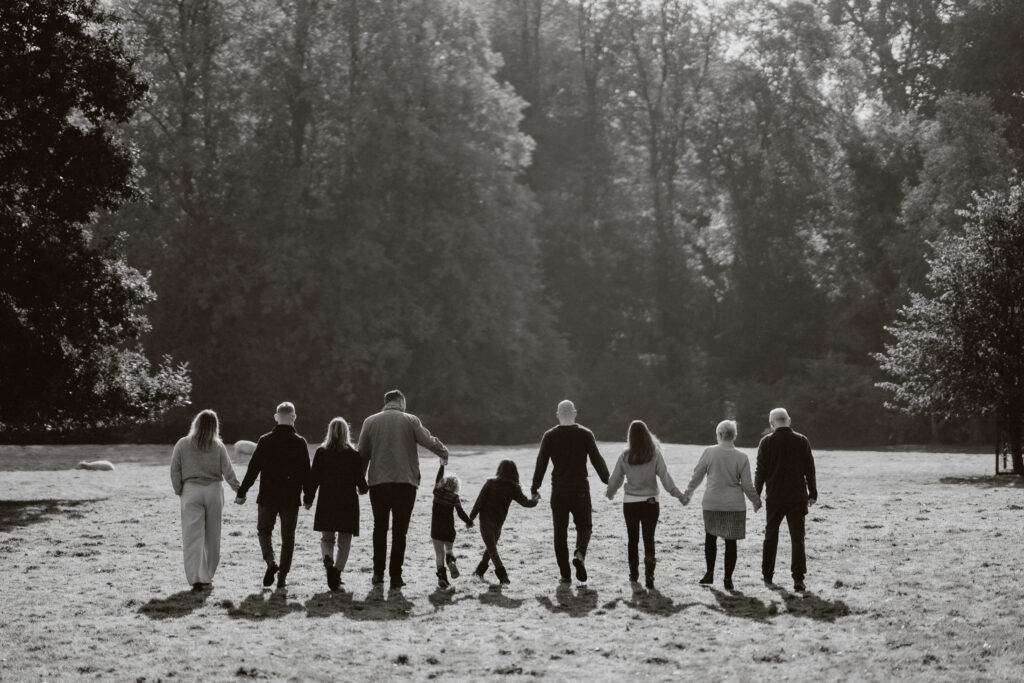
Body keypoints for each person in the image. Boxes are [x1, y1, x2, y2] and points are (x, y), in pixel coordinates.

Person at [358, 389, 449, 589]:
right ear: (400, 402)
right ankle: (396, 576)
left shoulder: (370, 422)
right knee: (400, 532)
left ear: (386, 402)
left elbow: (362, 454)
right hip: (405, 483)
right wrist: (443, 452)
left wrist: (360, 481)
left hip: (378, 483)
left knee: (379, 529)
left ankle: (377, 574)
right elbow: (427, 440)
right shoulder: (410, 420)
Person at [531, 400, 610, 584]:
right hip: (580, 490)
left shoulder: (549, 436)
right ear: (574, 413)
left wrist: (535, 488)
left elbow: (541, 464)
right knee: (585, 526)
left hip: (559, 491)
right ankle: (580, 553)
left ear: (557, 414)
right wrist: (609, 481)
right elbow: (597, 460)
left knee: (560, 532)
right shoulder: (585, 434)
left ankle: (565, 575)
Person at [236, 402, 312, 589]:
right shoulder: (299, 442)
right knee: (288, 537)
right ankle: (282, 578)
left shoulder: (265, 440)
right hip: (290, 498)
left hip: (268, 496)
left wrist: (242, 492)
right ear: (294, 417)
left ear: (276, 417)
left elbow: (253, 469)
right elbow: (306, 473)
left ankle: (271, 562)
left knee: (264, 531)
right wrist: (308, 497)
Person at [681, 419, 761, 590]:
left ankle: (709, 573)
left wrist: (688, 493)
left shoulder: (709, 452)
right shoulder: (742, 457)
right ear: (734, 436)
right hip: (734, 505)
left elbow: (697, 476)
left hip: (712, 503)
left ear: (719, 435)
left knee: (711, 538)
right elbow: (747, 485)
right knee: (730, 542)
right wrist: (756, 501)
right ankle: (727, 579)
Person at [605, 420, 686, 588]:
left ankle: (633, 574)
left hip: (630, 504)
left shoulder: (625, 456)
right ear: (647, 434)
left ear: (630, 437)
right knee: (649, 539)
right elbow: (665, 478)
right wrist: (678, 495)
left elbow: (615, 479)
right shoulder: (654, 454)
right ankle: (650, 576)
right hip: (651, 503)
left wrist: (610, 493)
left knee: (632, 539)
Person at [170, 409, 240, 592]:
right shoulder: (218, 446)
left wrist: (179, 489)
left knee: (192, 536)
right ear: (215, 426)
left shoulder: (182, 444)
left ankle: (196, 577)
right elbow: (228, 471)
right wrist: (238, 490)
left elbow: (175, 469)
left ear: (196, 423)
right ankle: (207, 575)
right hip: (213, 491)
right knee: (212, 536)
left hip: (191, 490)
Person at [755, 407, 817, 592]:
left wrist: (755, 496)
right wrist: (812, 493)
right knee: (797, 538)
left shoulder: (766, 442)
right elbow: (810, 470)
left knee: (770, 535)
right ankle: (798, 579)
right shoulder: (801, 440)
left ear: (772, 423)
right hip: (797, 497)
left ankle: (767, 575)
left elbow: (761, 472)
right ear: (788, 420)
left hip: (774, 497)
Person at [304, 417, 367, 591]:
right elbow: (360, 482)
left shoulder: (321, 452)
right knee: (344, 540)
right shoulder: (353, 455)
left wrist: (308, 499)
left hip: (327, 501)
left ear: (329, 432)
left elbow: (313, 478)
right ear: (347, 432)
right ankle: (337, 572)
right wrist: (364, 489)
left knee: (327, 538)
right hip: (347, 503)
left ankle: (328, 560)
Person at [469, 460, 540, 585]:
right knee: (491, 547)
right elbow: (526, 503)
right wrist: (535, 500)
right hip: (498, 522)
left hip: (485, 520)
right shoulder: (514, 487)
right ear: (514, 472)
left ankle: (503, 576)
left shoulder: (490, 483)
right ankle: (480, 572)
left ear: (499, 470)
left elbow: (479, 502)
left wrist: (471, 518)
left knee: (491, 548)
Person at [431, 464, 473, 590]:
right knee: (448, 550)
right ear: (456, 487)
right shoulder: (455, 497)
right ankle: (451, 562)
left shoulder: (437, 492)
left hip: (436, 530)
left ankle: (442, 578)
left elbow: (438, 478)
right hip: (449, 530)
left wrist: (442, 465)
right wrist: (469, 521)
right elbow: (460, 512)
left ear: (442, 483)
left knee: (439, 555)